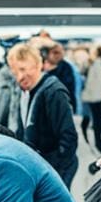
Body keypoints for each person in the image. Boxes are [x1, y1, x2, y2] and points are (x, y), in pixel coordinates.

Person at [8, 42, 78, 187]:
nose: (19, 77)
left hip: (54, 169)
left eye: (23, 69)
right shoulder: (24, 93)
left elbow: (68, 138)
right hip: (38, 168)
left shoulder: (53, 92)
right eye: (15, 72)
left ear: (38, 65)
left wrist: (54, 173)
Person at [80, 45, 101, 153]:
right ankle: (99, 142)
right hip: (98, 97)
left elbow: (93, 82)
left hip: (95, 97)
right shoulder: (100, 63)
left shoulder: (96, 64)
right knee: (99, 120)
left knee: (97, 120)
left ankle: (98, 142)